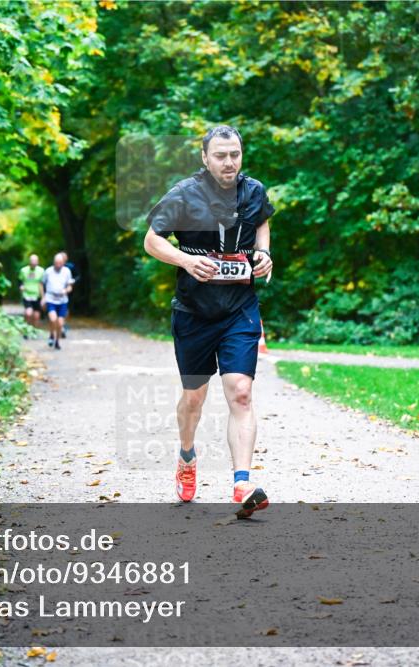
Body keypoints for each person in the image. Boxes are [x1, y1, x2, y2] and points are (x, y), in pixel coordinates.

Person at [142, 125, 275, 518]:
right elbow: (152, 240)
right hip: (194, 313)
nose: (229, 162)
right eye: (220, 155)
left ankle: (242, 483)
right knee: (194, 399)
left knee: (241, 392)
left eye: (234, 154)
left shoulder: (254, 191)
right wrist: (184, 260)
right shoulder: (184, 194)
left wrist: (263, 254)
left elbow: (263, 222)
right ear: (205, 158)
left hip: (239, 308)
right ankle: (186, 457)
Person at [40, 252, 74, 350]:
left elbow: (70, 286)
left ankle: (57, 341)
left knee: (60, 323)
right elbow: (41, 284)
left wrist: (66, 290)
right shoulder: (48, 271)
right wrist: (43, 297)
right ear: (53, 262)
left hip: (62, 300)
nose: (58, 265)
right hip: (50, 299)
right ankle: (51, 334)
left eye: (60, 263)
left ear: (63, 263)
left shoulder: (67, 271)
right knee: (53, 319)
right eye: (56, 263)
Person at [19, 254, 45, 335]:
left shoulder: (41, 271)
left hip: (37, 295)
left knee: (36, 315)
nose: (33, 263)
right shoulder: (23, 270)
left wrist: (43, 297)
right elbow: (19, 281)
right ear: (29, 262)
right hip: (27, 295)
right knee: (28, 313)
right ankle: (26, 329)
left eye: (35, 261)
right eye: (32, 261)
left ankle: (34, 330)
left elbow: (42, 284)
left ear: (38, 262)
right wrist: (21, 286)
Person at [59, 251, 79, 339]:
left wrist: (73, 281)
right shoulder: (54, 267)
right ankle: (60, 324)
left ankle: (63, 323)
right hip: (57, 291)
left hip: (68, 290)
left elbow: (78, 276)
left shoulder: (70, 266)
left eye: (64, 257)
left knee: (66, 308)